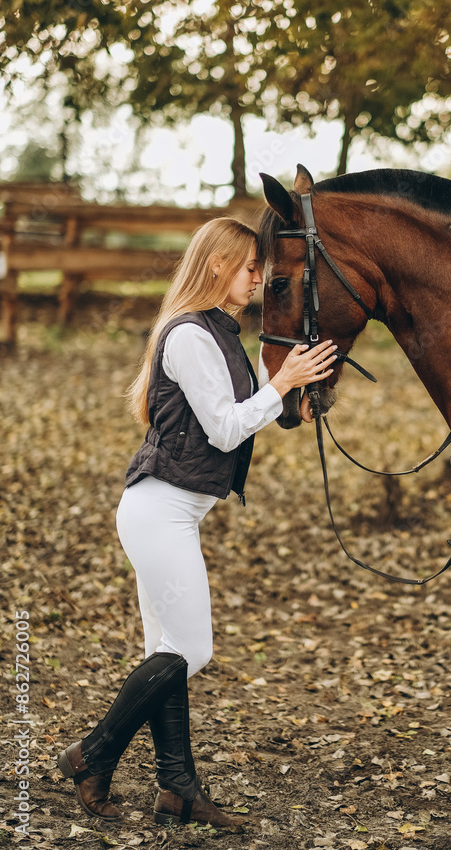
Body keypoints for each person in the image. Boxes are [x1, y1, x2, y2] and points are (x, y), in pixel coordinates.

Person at [57, 216, 336, 829]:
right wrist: (282, 382)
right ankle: (92, 754)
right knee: (191, 649)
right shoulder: (187, 335)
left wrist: (293, 390)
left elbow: (248, 407)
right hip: (159, 509)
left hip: (173, 508)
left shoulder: (220, 333)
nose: (258, 279)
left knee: (170, 651)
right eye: (249, 268)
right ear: (217, 266)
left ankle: (178, 791)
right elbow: (225, 427)